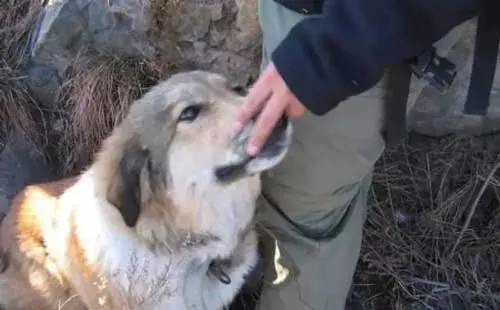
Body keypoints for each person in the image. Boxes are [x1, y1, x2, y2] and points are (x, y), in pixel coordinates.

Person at [232, 0, 490, 309]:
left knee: (300, 220)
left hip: (347, 25)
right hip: (324, 23)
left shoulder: (335, 44)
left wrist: (332, 48)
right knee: (320, 198)